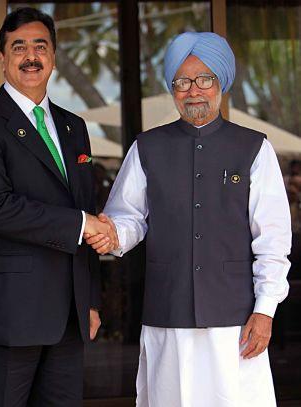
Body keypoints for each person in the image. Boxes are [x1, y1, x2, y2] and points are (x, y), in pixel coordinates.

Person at [86, 32, 292, 406]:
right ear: (172, 88)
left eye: (204, 79)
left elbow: (273, 238)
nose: (193, 90)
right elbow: (128, 218)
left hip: (236, 320)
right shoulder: (146, 147)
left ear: (221, 84)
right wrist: (113, 236)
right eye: (182, 81)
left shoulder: (254, 147)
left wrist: (265, 310)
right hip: (168, 314)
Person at [0, 7, 116, 407]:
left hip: (67, 318)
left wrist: (89, 299)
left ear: (54, 57)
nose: (30, 56)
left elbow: (84, 207)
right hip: (7, 315)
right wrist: (83, 223)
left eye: (40, 46)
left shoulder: (74, 127)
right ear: (3, 58)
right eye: (19, 46)